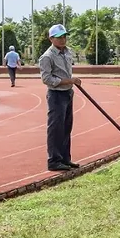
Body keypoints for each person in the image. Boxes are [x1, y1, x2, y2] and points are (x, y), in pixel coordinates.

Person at [39, 24, 81, 172]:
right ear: (51, 39)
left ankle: (65, 158)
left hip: (68, 93)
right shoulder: (47, 57)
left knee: (66, 127)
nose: (63, 39)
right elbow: (46, 79)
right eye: (59, 37)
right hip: (56, 95)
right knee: (56, 128)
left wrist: (70, 82)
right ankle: (54, 160)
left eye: (64, 36)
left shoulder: (67, 52)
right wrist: (69, 81)